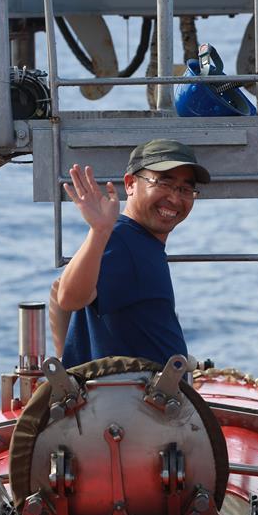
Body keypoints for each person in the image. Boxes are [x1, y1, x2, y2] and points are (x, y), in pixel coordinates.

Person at [52, 139, 210, 368]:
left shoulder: (138, 241)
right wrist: (99, 231)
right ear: (130, 184)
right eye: (163, 183)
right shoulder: (121, 239)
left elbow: (58, 287)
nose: (175, 199)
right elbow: (68, 297)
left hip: (150, 395)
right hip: (136, 400)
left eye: (185, 189)